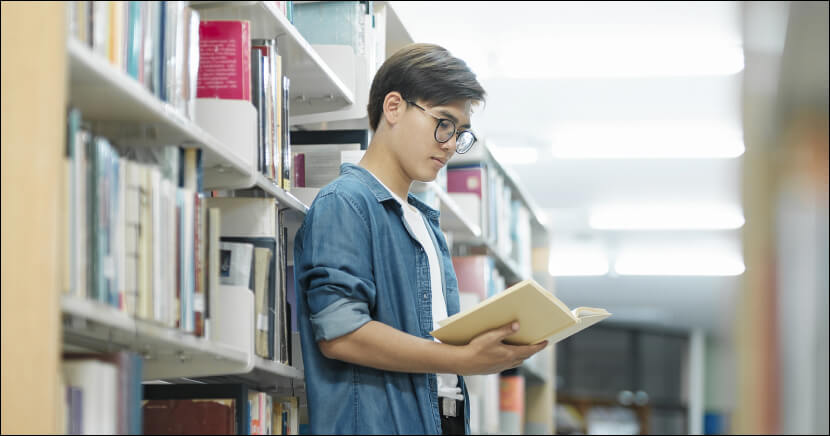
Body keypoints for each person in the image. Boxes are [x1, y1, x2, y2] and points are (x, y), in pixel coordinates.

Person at [293, 43, 549, 435]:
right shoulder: (345, 203)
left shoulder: (424, 222)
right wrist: (461, 359)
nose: (449, 144)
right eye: (443, 123)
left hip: (442, 418)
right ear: (393, 107)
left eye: (460, 133)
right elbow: (341, 334)